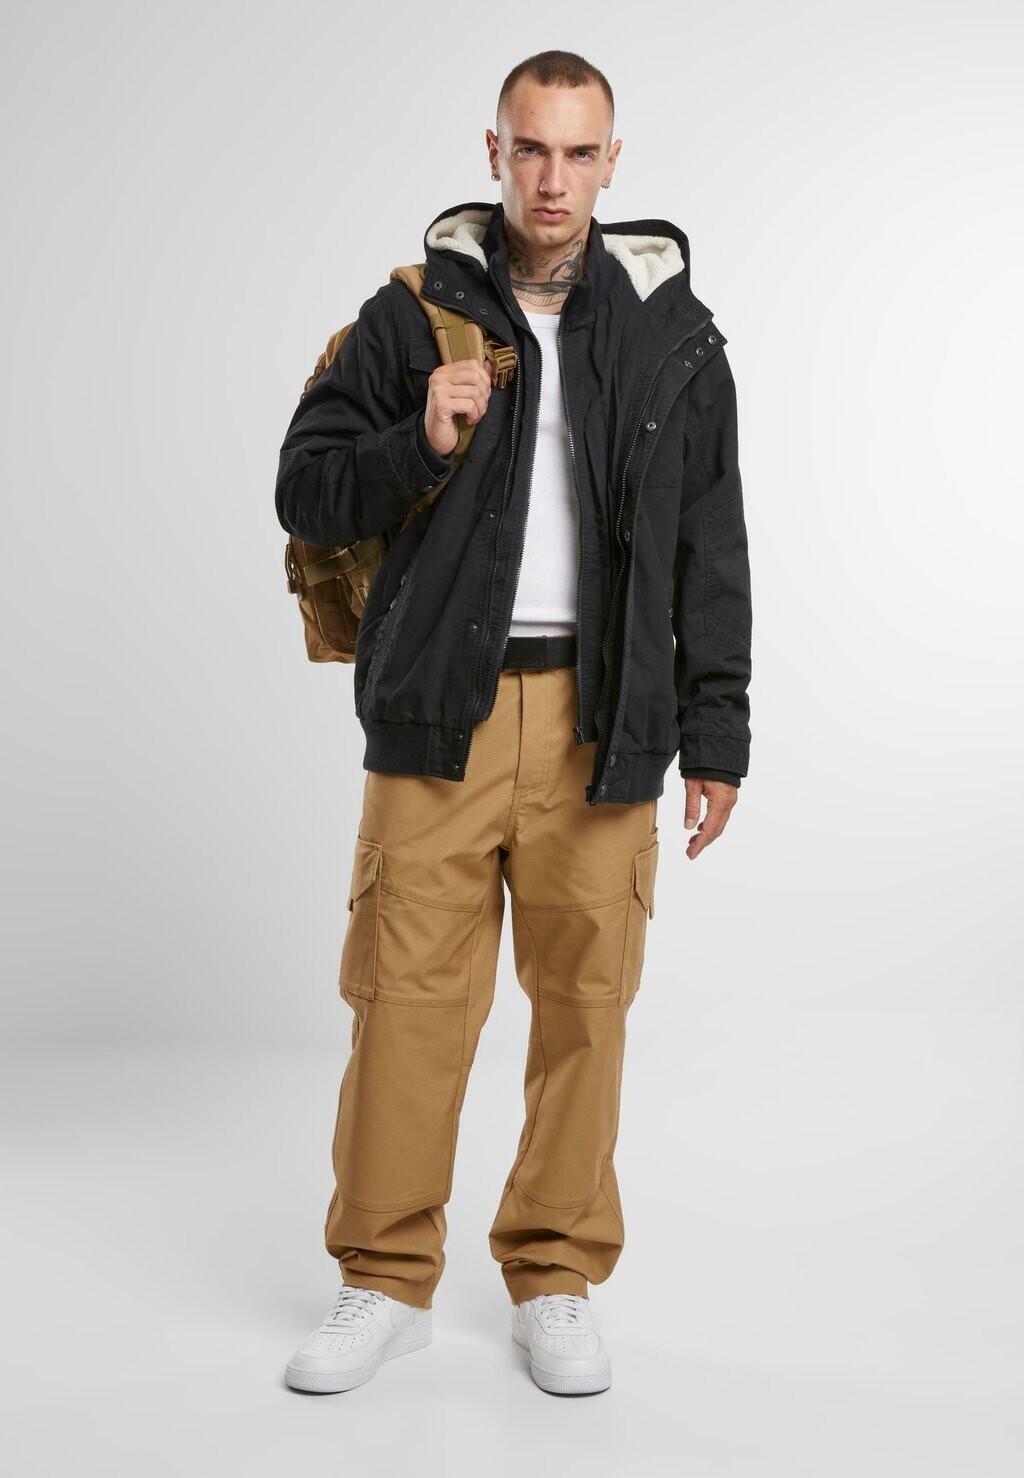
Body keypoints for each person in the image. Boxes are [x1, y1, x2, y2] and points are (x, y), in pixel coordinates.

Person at [274, 49, 752, 1396]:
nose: (553, 179)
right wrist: (417, 441)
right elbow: (306, 491)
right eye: (530, 150)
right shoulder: (409, 316)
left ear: (612, 163)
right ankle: (384, 1281)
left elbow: (711, 542)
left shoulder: (670, 332)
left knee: (587, 1009)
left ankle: (554, 1274)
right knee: (406, 1006)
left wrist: (716, 734)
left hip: (607, 719)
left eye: (578, 154)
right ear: (494, 153)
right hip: (442, 711)